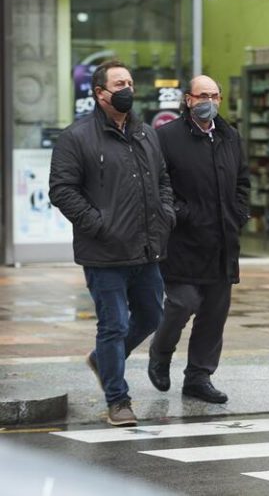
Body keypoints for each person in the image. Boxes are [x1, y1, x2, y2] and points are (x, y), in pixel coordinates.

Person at [49, 60, 175, 427]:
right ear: (100, 93)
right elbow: (62, 190)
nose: (127, 89)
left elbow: (163, 179)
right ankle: (118, 401)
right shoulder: (77, 137)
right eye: (119, 83)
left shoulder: (146, 133)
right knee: (114, 325)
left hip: (147, 248)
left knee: (152, 316)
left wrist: (166, 214)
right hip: (104, 253)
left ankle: (103, 359)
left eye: (130, 82)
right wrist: (98, 225)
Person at [147, 75, 251, 404]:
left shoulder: (229, 136)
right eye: (202, 95)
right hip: (183, 242)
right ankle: (160, 354)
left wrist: (239, 214)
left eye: (215, 95)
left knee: (214, 313)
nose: (209, 101)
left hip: (223, 241)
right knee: (182, 304)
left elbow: (243, 181)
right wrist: (182, 214)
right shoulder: (166, 137)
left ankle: (198, 376)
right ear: (188, 100)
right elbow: (156, 188)